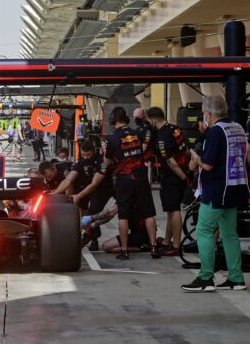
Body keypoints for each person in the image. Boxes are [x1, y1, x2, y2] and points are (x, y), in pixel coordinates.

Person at [182, 96, 250, 292]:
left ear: (209, 113)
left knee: (204, 230)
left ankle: (205, 278)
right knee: (229, 234)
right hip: (235, 186)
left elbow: (208, 165)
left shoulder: (215, 131)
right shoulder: (237, 128)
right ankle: (236, 278)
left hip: (217, 190)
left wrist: (196, 157)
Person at [103, 106, 160, 260]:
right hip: (141, 177)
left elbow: (106, 162)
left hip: (124, 180)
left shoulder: (111, 139)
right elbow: (142, 150)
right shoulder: (137, 133)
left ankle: (124, 250)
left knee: (123, 216)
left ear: (112, 120)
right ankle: (154, 246)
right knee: (148, 213)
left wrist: (105, 154)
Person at [53, 140, 113, 251]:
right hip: (85, 186)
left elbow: (95, 183)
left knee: (94, 209)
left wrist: (79, 196)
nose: (85, 157)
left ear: (94, 151)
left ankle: (93, 238)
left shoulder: (103, 162)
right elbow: (69, 180)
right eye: (83, 154)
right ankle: (90, 234)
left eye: (88, 155)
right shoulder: (80, 161)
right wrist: (54, 194)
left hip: (102, 188)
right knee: (82, 210)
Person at [146, 107, 191, 256]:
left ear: (153, 120)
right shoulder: (175, 128)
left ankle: (176, 245)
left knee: (175, 210)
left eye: (149, 121)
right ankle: (167, 241)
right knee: (170, 210)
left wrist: (184, 177)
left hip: (173, 176)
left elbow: (171, 162)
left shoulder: (162, 137)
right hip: (180, 172)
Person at [81, 205, 150, 253]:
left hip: (138, 237)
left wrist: (90, 220)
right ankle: (146, 246)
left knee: (106, 246)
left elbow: (110, 214)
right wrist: (92, 225)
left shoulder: (126, 201)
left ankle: (140, 248)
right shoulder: (136, 200)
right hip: (145, 235)